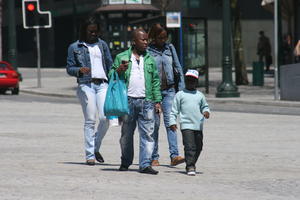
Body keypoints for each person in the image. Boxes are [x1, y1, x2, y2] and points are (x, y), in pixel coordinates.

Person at [109, 28, 162, 175]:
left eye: (147, 39)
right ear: (134, 41)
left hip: (147, 102)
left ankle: (145, 164)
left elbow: (156, 81)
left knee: (148, 134)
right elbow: (111, 75)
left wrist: (157, 101)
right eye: (143, 40)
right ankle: (125, 162)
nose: (146, 42)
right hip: (127, 101)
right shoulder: (121, 57)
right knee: (126, 134)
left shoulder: (150, 59)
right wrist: (119, 70)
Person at [66, 16, 113, 166]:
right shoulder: (75, 47)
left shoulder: (102, 45)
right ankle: (89, 155)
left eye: (96, 31)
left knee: (106, 118)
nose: (94, 34)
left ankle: (95, 146)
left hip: (103, 84)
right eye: (91, 32)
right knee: (90, 120)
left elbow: (109, 64)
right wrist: (79, 70)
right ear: (84, 31)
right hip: (86, 85)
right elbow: (69, 68)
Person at [147, 23, 185, 167]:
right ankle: (154, 156)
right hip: (153, 92)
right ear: (154, 37)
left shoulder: (170, 48)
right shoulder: (148, 50)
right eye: (160, 37)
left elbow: (178, 67)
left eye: (165, 37)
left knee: (171, 123)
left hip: (169, 91)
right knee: (154, 125)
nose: (163, 40)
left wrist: (180, 90)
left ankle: (174, 156)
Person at [169, 69, 210, 176]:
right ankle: (190, 166)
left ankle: (190, 161)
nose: (190, 82)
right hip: (186, 125)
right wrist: (172, 122)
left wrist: (206, 111)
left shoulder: (200, 95)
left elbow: (205, 106)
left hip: (198, 125)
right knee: (189, 146)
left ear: (196, 82)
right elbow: (174, 110)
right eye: (188, 80)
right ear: (185, 80)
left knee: (199, 146)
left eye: (193, 80)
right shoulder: (180, 95)